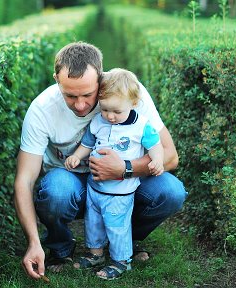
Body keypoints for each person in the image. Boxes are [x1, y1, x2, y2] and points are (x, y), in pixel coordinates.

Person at [14, 41, 187, 279]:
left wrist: (124, 169)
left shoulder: (128, 93)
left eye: (87, 94)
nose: (81, 105)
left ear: (101, 80)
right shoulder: (41, 110)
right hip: (70, 181)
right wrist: (32, 242)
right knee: (57, 191)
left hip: (123, 183)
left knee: (171, 192)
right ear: (56, 79)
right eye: (70, 96)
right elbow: (24, 180)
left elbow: (170, 156)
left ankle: (124, 240)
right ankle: (59, 246)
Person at [64, 68, 164, 280]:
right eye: (105, 109)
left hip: (120, 191)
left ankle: (121, 260)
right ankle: (95, 254)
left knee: (117, 225)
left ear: (133, 103)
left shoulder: (141, 126)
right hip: (95, 187)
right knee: (94, 223)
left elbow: (156, 146)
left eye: (116, 112)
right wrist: (76, 156)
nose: (110, 116)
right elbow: (87, 142)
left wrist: (156, 160)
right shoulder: (99, 121)